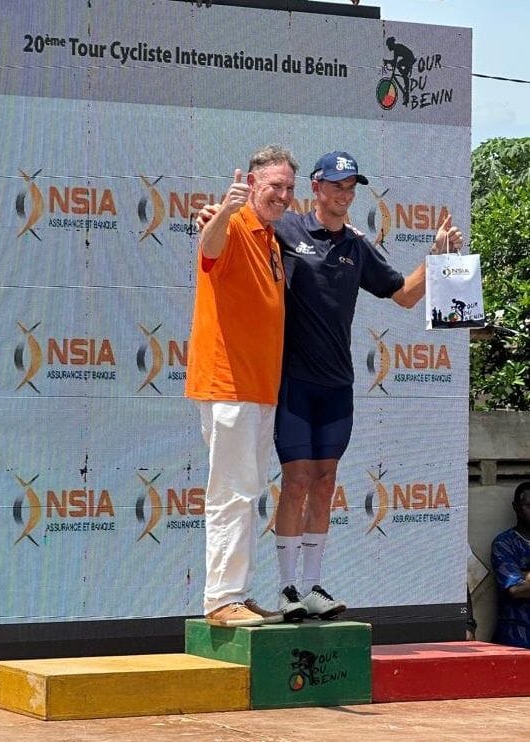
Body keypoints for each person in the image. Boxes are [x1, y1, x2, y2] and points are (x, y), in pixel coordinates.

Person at [198, 150, 463, 622]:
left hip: (317, 384)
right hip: (277, 383)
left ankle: (284, 588)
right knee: (278, 485)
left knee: (309, 485)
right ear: (316, 188)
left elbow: (404, 295)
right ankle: (266, 591)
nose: (344, 194)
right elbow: (215, 241)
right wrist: (218, 213)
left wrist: (438, 258)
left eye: (351, 186)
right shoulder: (276, 227)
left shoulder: (349, 243)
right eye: (336, 185)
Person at [185, 144, 298, 627]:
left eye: (289, 188)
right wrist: (224, 213)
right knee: (231, 492)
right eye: (275, 186)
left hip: (259, 387)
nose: (283, 195)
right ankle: (221, 599)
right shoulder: (229, 224)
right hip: (228, 384)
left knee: (247, 493)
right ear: (251, 184)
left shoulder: (269, 236)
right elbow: (209, 247)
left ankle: (236, 593)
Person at [491, 481, 530, 648]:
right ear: (516, 507)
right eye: (529, 505)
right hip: (517, 638)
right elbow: (515, 590)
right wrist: (522, 583)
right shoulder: (504, 543)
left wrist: (526, 576)